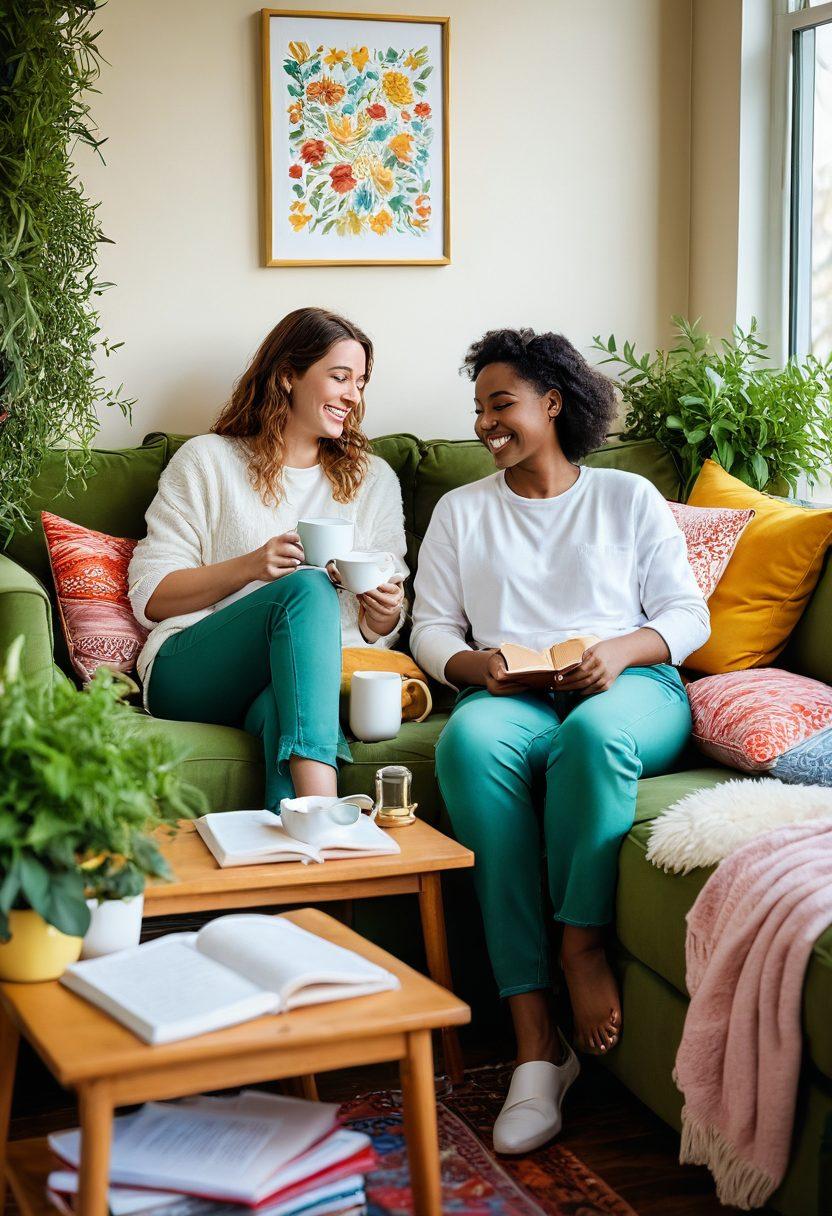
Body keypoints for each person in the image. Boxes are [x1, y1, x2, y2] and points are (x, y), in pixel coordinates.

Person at [410, 328, 709, 1155]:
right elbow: (431, 628)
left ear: (553, 402)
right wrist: (482, 667)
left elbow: (687, 616)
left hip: (630, 688)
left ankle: (580, 946)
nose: (485, 423)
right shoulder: (462, 512)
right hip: (515, 695)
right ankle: (533, 1039)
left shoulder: (627, 499)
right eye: (478, 409)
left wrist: (617, 650)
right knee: (466, 746)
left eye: (501, 403)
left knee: (593, 740)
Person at [128, 307, 407, 809]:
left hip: (298, 681)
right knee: (307, 586)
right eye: (340, 377)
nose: (353, 395)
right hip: (189, 670)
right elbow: (152, 596)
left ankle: (308, 854)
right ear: (287, 375)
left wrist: (382, 614)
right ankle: (330, 815)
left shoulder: (374, 479)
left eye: (361, 382)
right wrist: (250, 566)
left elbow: (381, 627)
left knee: (288, 710)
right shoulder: (207, 460)